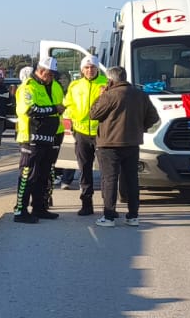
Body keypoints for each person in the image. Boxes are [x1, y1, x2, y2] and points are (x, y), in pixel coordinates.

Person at [88, 65, 160, 227]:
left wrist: (100, 96)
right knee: (132, 180)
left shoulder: (109, 95)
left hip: (109, 144)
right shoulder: (140, 95)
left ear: (110, 80)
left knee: (110, 179)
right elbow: (153, 117)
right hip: (132, 143)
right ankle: (133, 215)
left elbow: (93, 114)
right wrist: (141, 128)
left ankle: (109, 216)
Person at [12, 58, 65, 224]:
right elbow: (30, 110)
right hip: (31, 139)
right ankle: (20, 210)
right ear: (42, 72)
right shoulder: (27, 87)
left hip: (48, 138)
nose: (52, 78)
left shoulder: (49, 86)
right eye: (50, 75)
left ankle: (39, 207)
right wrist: (54, 109)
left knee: (43, 175)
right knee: (28, 175)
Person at [63, 55, 109, 216]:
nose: (90, 70)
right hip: (81, 132)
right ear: (82, 69)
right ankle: (86, 204)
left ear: (97, 68)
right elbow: (67, 105)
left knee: (106, 170)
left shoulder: (106, 83)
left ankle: (108, 206)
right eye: (87, 68)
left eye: (93, 67)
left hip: (102, 132)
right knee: (84, 169)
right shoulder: (75, 85)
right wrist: (74, 120)